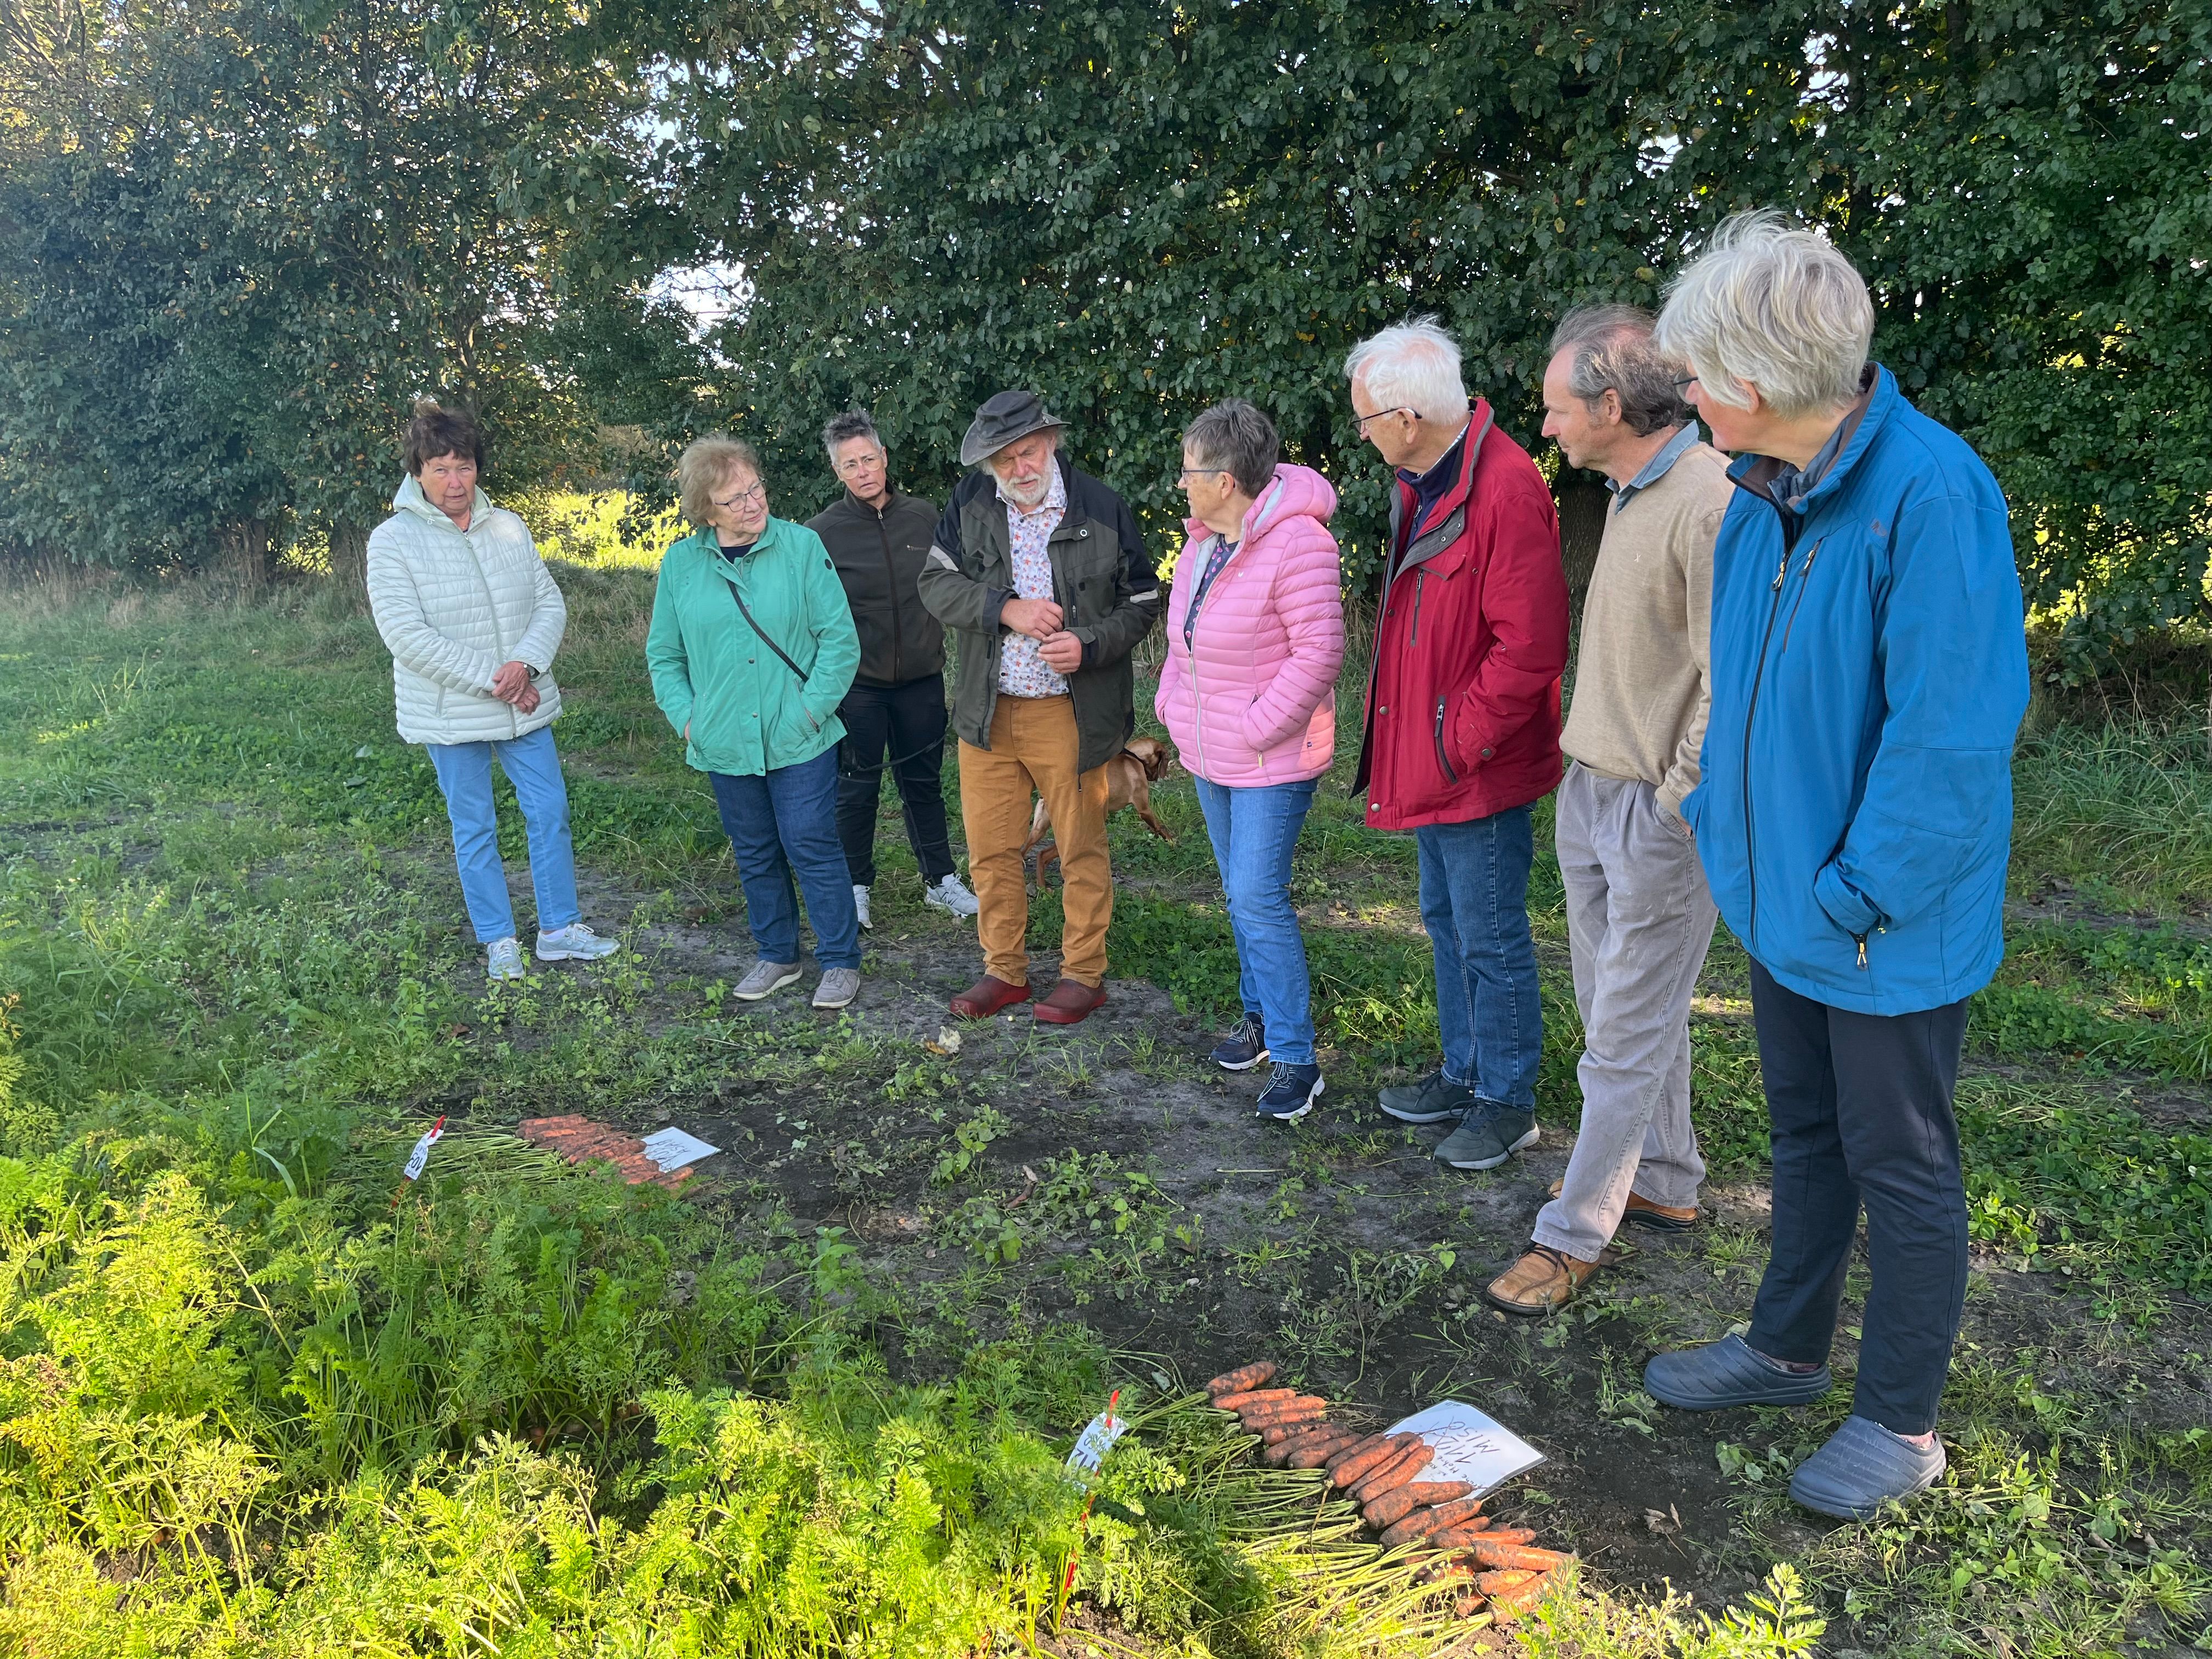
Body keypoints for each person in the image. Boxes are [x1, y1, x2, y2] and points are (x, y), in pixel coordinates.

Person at [1638, 212, 2029, 1521]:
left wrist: (1857, 890)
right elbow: (1742, 688)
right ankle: (1785, 1350)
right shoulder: (1758, 494)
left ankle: (1901, 1424)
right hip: (1788, 901)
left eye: (1696, 376)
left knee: (1902, 1161)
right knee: (1806, 1136)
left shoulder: (1932, 493)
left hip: (1879, 919)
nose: (1684, 396)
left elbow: (1952, 735)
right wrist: (1720, 822)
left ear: (1748, 387)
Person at [1481, 307, 1731, 1316]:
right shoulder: (1633, 489)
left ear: (1612, 405)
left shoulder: (1712, 499)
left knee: (1621, 1031)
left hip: (1656, 810)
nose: (1546, 428)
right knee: (1619, 1011)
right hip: (1591, 788)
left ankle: (1572, 1231)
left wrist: (1676, 802)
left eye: (1554, 409)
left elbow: (1733, 679)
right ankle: (1664, 1178)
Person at [1346, 319, 1570, 1171]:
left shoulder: (1504, 487)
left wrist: (1455, 742)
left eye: (1367, 420)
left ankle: (1508, 1101)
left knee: (1489, 931)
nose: (1362, 435)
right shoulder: (1429, 482)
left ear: (1406, 417)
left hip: (1476, 765)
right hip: (1442, 760)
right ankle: (1463, 1071)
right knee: (1446, 921)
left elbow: (1532, 648)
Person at [916, 391, 1160, 1025]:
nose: (1019, 468)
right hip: (988, 709)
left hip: (1071, 713)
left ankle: (1084, 975)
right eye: (1004, 459)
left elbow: (1143, 600)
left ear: (1050, 442)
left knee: (1080, 846)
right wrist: (1005, 608)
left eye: (1027, 452)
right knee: (992, 850)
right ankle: (1007, 971)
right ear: (988, 465)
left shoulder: (1101, 506)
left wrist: (1089, 643)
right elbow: (935, 584)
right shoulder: (970, 504)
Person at [365, 402, 619, 980]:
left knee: (549, 810)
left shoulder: (508, 524)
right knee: (474, 824)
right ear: (417, 472)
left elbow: (548, 601)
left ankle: (559, 929)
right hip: (453, 710)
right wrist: (498, 681)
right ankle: (499, 939)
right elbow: (406, 635)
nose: (455, 481)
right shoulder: (392, 541)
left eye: (465, 466)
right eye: (440, 468)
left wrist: (527, 664)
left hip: (524, 701)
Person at [1156, 399, 1345, 1121]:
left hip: (1272, 758)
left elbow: (1321, 653)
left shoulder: (1300, 544)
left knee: (1257, 898)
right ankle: (1260, 1022)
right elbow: (1182, 640)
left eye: (1190, 470)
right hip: (1214, 755)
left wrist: (1259, 727)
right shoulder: (1205, 542)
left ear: (1228, 479)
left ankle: (1300, 1059)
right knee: (1241, 896)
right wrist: (1175, 709)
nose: (1182, 482)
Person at [646, 436, 866, 1010]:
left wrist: (810, 710)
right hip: (721, 737)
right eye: (733, 499)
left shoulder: (800, 547)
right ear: (705, 511)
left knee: (811, 842)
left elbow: (839, 641)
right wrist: (689, 720)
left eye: (755, 489)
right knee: (754, 849)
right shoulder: (682, 564)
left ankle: (839, 961)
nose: (752, 504)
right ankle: (777, 953)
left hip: (799, 733)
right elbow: (664, 656)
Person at [806, 410, 980, 930]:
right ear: (838, 472)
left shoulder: (925, 517)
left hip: (922, 679)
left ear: (884, 458)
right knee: (856, 789)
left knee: (923, 784)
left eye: (869, 459)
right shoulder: (821, 534)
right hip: (857, 687)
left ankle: (940, 881)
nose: (863, 471)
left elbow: (958, 581)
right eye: (849, 464)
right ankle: (856, 886)